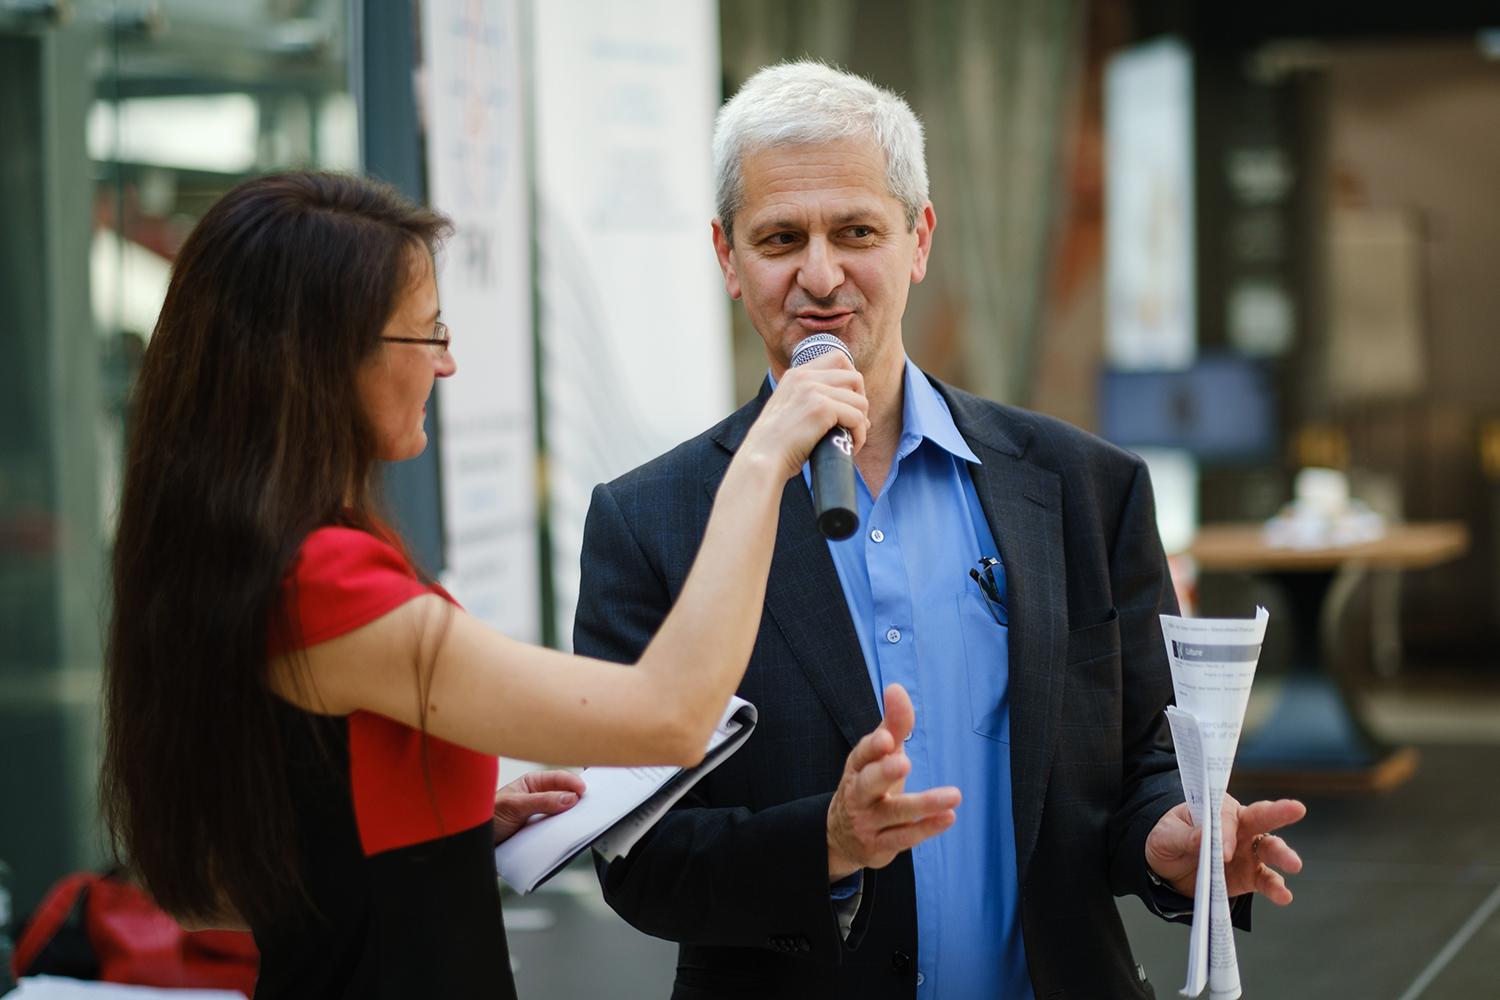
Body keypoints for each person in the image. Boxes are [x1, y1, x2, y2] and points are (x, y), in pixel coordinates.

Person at [574, 61, 1306, 999]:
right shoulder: (651, 524)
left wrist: (1170, 840)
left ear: (919, 239)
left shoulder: (1087, 489)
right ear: (727, 258)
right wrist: (828, 843)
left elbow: (1143, 763)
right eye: (780, 238)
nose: (820, 273)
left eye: (857, 231)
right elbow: (639, 860)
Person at [98, 171, 868, 999]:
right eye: (424, 335)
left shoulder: (254, 553)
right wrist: (765, 457)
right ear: (320, 360)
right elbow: (673, 715)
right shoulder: (323, 580)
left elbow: (251, 873)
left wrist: (446, 840)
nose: (447, 362)